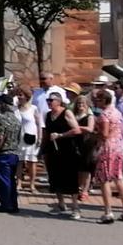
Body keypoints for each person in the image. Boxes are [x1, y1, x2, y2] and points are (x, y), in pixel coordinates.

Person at [42, 87, 83, 219]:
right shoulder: (48, 115)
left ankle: (75, 207)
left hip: (67, 150)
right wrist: (43, 148)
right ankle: (61, 204)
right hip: (53, 150)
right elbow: (46, 133)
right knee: (54, 177)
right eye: (48, 100)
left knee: (70, 178)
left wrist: (61, 135)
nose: (49, 102)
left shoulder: (66, 113)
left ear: (58, 101)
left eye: (51, 100)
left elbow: (77, 130)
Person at [93, 90, 123, 224]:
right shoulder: (117, 112)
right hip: (118, 146)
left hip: (107, 147)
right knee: (118, 177)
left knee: (104, 180)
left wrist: (94, 133)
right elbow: (122, 131)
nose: (95, 102)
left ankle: (108, 211)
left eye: (98, 100)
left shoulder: (105, 115)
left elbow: (104, 134)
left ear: (104, 100)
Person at [0, 94, 22, 213]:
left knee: (3, 181)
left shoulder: (1, 118)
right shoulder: (16, 119)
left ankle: (6, 205)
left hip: (3, 154)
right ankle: (13, 204)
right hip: (14, 153)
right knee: (11, 181)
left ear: (3, 104)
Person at [70, 87, 95, 202]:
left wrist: (77, 127)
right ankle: (79, 188)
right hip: (75, 143)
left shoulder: (90, 116)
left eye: (83, 103)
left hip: (86, 143)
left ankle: (85, 190)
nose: (80, 105)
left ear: (87, 105)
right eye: (79, 103)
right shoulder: (73, 115)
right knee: (77, 167)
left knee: (86, 168)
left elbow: (90, 129)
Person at [14, 86, 42, 193]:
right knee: (19, 162)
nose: (19, 97)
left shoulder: (33, 108)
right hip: (18, 138)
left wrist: (40, 137)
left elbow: (39, 124)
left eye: (21, 95)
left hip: (30, 138)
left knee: (32, 162)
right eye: (18, 95)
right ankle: (19, 183)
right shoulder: (15, 109)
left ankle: (32, 185)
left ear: (26, 97)